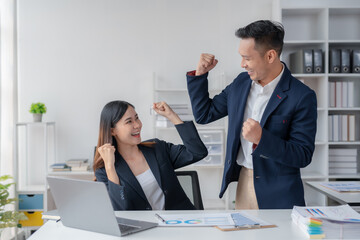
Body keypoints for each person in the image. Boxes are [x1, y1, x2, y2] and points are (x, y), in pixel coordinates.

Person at [186, 20, 317, 209]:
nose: (242, 64)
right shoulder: (241, 83)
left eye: (247, 58)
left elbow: (302, 155)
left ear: (270, 56)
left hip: (279, 193)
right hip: (244, 182)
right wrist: (199, 75)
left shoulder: (302, 96)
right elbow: (204, 114)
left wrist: (261, 138)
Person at [93, 100, 208, 210]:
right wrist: (110, 167)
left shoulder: (157, 148)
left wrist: (172, 116)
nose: (137, 125)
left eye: (137, 118)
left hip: (181, 222)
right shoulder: (104, 171)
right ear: (113, 131)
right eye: (129, 121)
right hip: (144, 228)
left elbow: (197, 152)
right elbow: (120, 210)